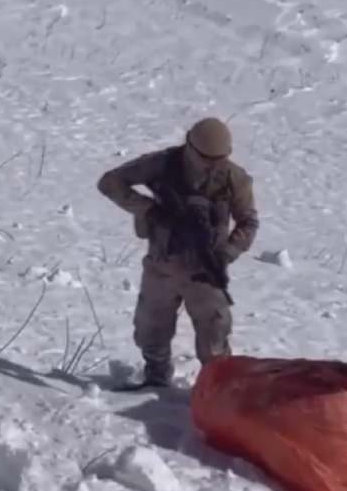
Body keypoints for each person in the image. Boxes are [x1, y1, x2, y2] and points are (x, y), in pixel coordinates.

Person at [96, 117, 259, 390]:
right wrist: (148, 209)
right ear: (191, 147)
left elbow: (249, 222)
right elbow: (110, 182)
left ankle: (216, 390)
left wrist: (227, 253)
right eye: (207, 158)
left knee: (214, 335)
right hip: (163, 262)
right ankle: (156, 378)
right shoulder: (161, 165)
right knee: (151, 328)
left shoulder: (234, 178)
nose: (213, 164)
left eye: (220, 158)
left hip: (206, 270)